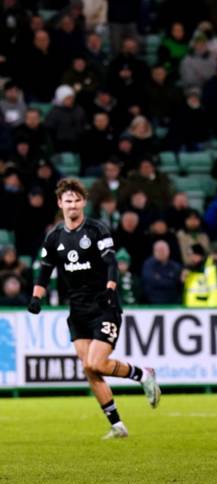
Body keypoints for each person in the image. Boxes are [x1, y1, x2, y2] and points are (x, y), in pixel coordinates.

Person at [27, 178, 161, 440]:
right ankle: (117, 426)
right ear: (60, 203)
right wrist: (36, 298)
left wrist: (111, 288)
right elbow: (44, 272)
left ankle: (143, 374)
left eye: (77, 200)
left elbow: (111, 263)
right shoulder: (54, 237)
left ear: (84, 202)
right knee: (90, 369)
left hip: (103, 305)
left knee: (96, 362)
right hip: (77, 311)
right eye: (68, 200)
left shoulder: (98, 230)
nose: (73, 205)